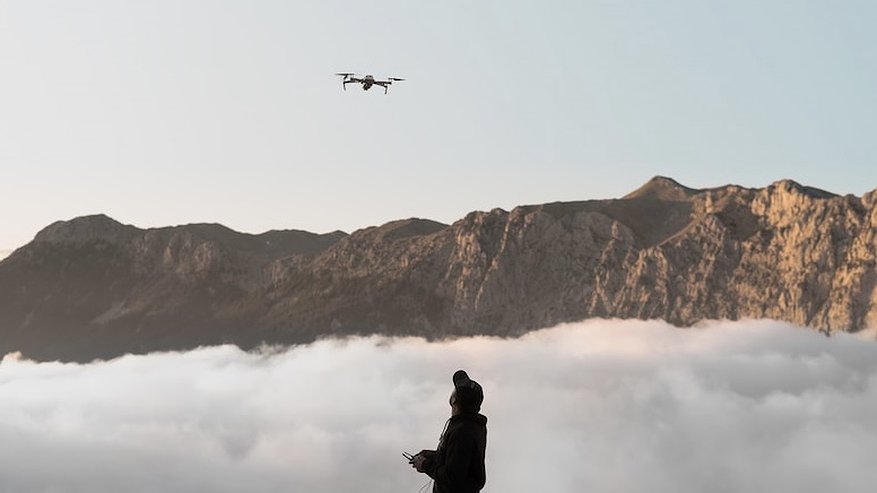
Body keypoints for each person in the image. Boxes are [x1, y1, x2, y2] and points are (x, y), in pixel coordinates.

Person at [409, 370, 488, 493]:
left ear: (455, 401)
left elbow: (452, 476)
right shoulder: (473, 424)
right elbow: (457, 459)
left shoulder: (462, 432)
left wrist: (425, 465)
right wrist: (429, 455)